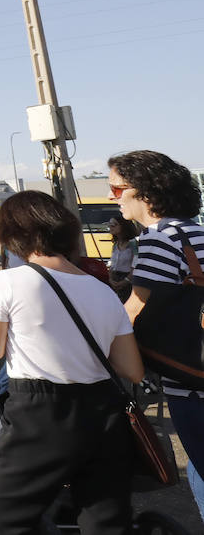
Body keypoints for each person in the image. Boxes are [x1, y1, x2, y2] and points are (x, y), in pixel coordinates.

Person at [0, 190, 143, 532]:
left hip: (39, 413)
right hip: (104, 414)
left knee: (2, 515)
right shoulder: (104, 292)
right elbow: (133, 370)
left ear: (14, 236)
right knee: (106, 520)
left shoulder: (5, 282)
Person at [111, 150, 204, 523]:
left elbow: (134, 310)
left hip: (191, 378)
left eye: (118, 189)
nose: (113, 198)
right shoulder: (197, 232)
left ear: (146, 194)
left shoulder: (160, 238)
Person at [105, 213, 138, 300]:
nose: (110, 227)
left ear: (123, 226)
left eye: (114, 225)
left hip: (127, 278)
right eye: (109, 225)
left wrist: (126, 280)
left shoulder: (133, 243)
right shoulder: (116, 244)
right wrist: (110, 278)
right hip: (115, 277)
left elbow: (135, 264)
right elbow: (112, 263)